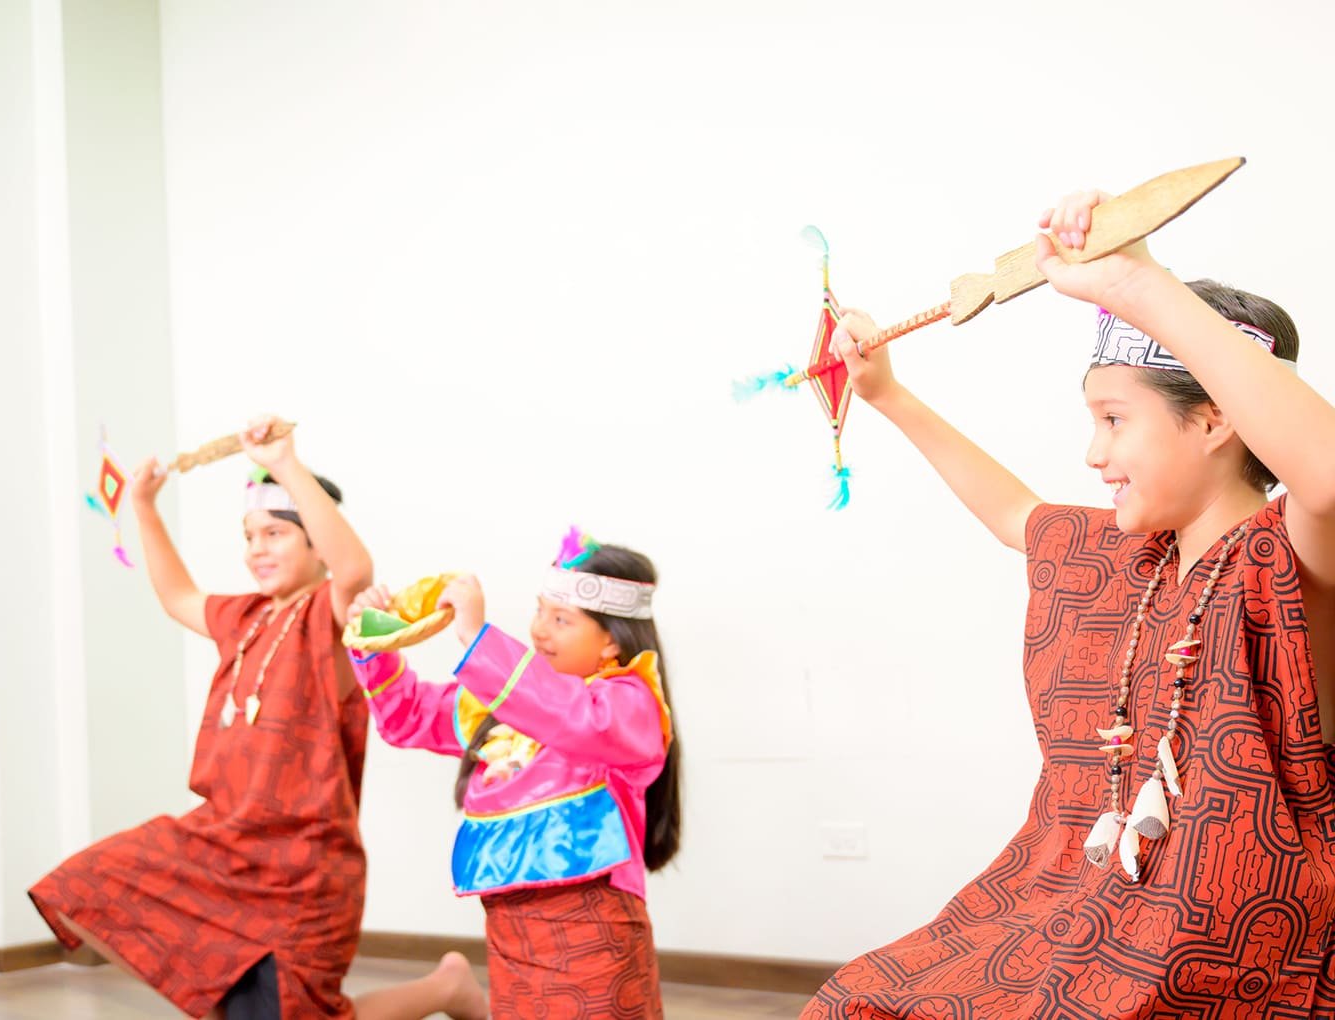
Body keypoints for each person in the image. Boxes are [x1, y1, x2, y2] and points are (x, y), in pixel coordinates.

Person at [804, 191, 1335, 1016]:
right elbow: (1017, 515)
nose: (1094, 453)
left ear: (1215, 419)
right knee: (858, 1001)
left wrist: (1140, 285)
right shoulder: (1129, 559)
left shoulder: (1292, 558)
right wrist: (887, 396)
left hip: (1231, 964)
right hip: (1083, 917)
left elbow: (1328, 479)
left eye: (1115, 420)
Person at [29, 416, 485, 1020]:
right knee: (86, 882)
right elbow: (177, 597)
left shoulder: (335, 613)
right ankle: (445, 989)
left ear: (315, 541)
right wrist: (143, 506)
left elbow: (354, 570)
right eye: (249, 536)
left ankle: (445, 989)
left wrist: (287, 464)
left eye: (274, 533)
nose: (257, 549)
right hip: (220, 849)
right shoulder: (242, 619)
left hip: (303, 866)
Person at [347, 534, 681, 1018]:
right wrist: (374, 640)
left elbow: (570, 715)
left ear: (612, 639)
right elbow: (408, 716)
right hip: (511, 937)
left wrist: (477, 639)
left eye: (561, 619)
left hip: (594, 940)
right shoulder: (505, 699)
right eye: (540, 611)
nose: (539, 630)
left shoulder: (628, 707)